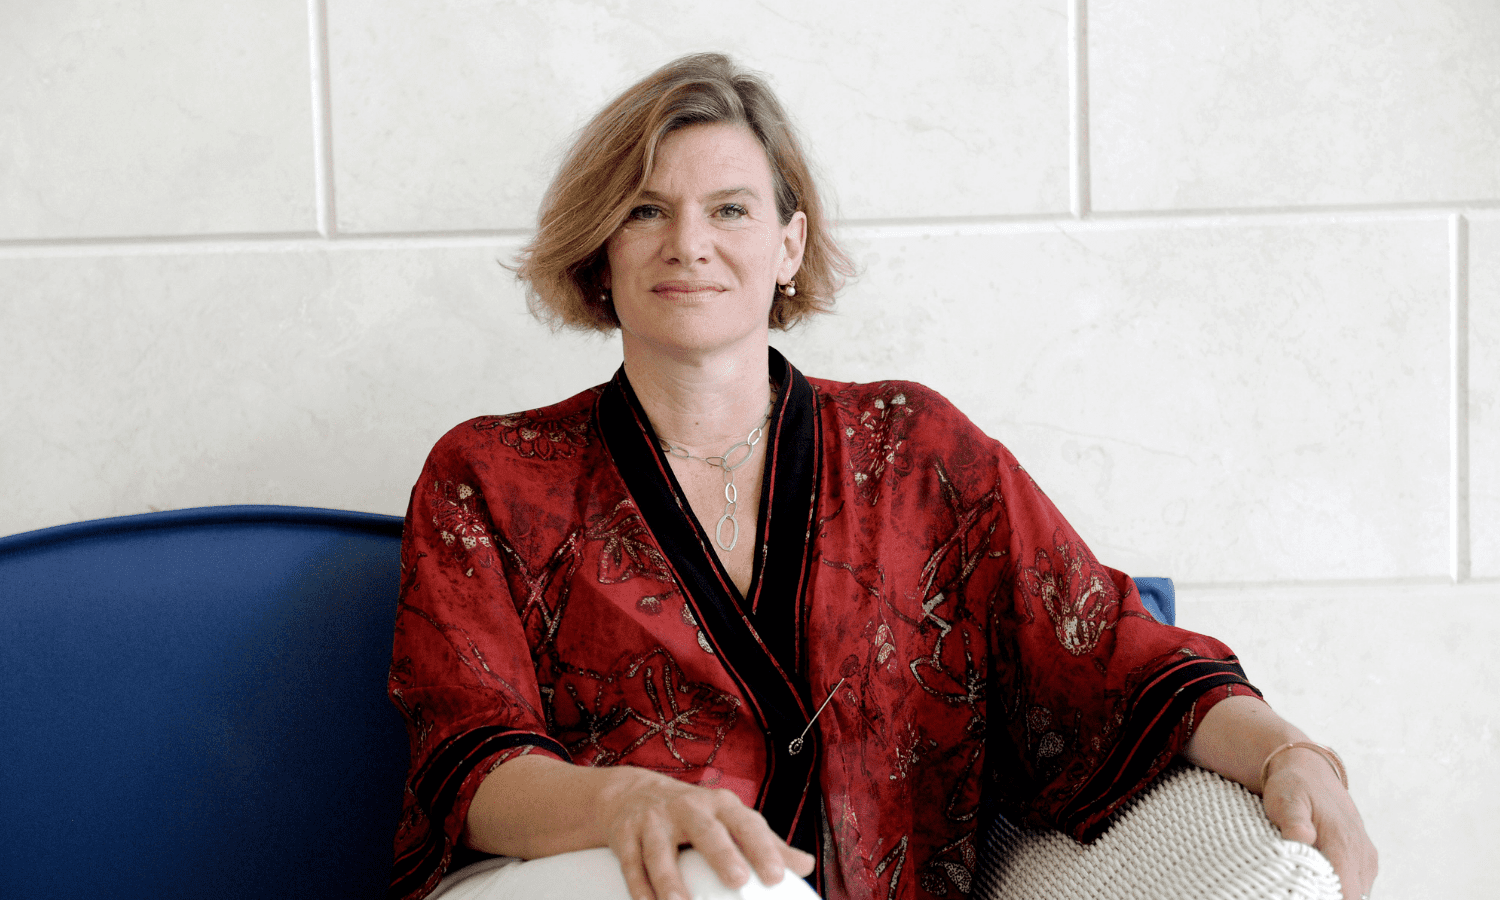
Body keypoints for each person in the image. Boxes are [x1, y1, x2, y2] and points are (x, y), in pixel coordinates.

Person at [385, 53, 1377, 900]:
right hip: (580, 883)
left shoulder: (917, 453)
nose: (688, 242)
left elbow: (1109, 653)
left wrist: (1288, 753)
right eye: (646, 209)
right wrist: (630, 803)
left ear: (788, 245)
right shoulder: (489, 476)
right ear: (600, 249)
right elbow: (472, 764)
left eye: (730, 209)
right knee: (727, 884)